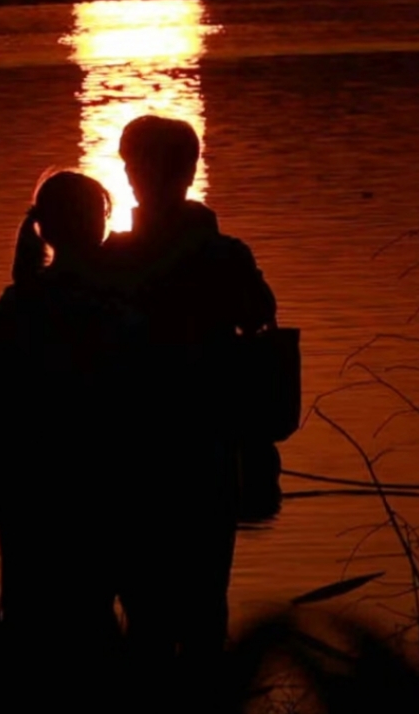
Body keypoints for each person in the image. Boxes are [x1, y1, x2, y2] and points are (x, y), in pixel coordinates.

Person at [98, 114, 278, 675]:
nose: (133, 175)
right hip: (186, 455)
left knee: (160, 611)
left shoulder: (117, 259)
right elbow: (260, 319)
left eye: (137, 165)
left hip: (154, 456)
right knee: (194, 607)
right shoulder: (219, 252)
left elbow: (257, 317)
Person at [0, 169, 137, 649]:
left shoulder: (16, 306)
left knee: (32, 609)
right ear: (100, 222)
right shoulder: (117, 302)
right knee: (97, 612)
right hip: (101, 482)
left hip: (26, 486)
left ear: (43, 229)